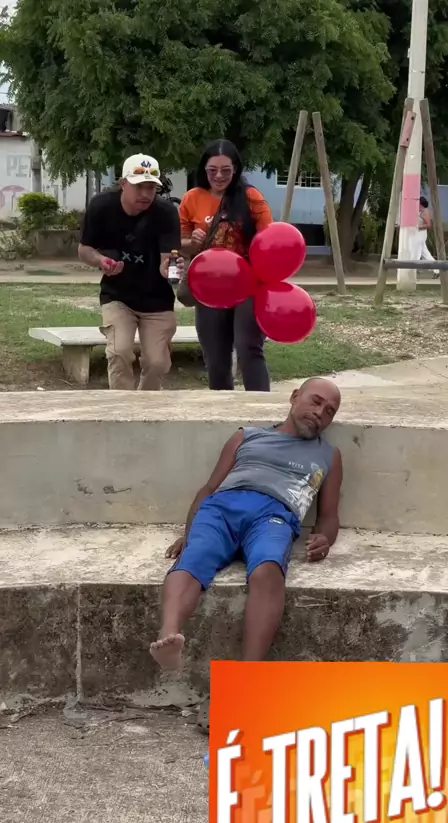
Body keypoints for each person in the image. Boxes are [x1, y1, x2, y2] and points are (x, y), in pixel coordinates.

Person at [150, 377, 343, 671]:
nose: (320, 413)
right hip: (223, 508)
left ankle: (248, 673)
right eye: (315, 401)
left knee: (268, 569)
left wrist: (325, 538)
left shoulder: (329, 455)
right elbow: (209, 488)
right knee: (194, 556)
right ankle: (169, 636)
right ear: (294, 397)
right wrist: (189, 533)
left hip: (274, 517)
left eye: (329, 411)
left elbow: (328, 516)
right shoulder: (247, 436)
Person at [78, 153, 184, 390]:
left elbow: (167, 262)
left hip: (157, 300)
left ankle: (146, 406)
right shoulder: (101, 206)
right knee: (119, 352)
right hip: (117, 296)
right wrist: (101, 261)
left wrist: (171, 269)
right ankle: (121, 407)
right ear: (123, 183)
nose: (145, 194)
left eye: (151, 187)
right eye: (139, 186)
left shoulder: (166, 213)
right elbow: (84, 250)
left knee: (157, 363)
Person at [179, 139, 274, 392]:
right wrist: (192, 242)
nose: (219, 176)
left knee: (248, 348)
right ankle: (222, 409)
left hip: (248, 285)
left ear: (236, 170)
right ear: (204, 169)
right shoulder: (192, 198)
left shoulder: (251, 197)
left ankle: (260, 407)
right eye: (213, 170)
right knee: (215, 357)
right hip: (210, 286)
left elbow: (269, 240)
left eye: (226, 170)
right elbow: (181, 244)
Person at [416, 196, 439, 278]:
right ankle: (437, 269)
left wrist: (418, 227)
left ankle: (412, 269)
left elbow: (428, 225)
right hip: (417, 234)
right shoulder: (419, 211)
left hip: (421, 234)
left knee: (417, 251)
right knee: (424, 253)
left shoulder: (425, 211)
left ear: (420, 204)